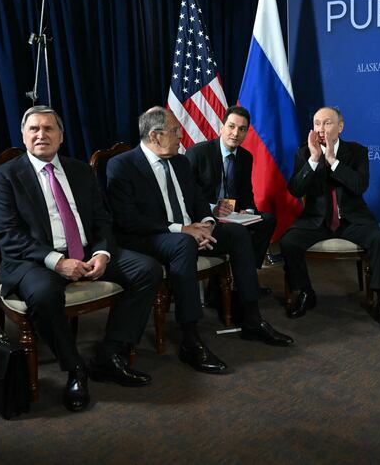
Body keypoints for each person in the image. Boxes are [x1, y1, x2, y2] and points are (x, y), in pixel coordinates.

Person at [0, 106, 162, 413]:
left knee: (147, 270)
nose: (41, 134)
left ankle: (110, 353)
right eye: (34, 129)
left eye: (49, 129)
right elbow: (8, 235)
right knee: (43, 294)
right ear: (23, 136)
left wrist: (102, 253)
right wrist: (56, 260)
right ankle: (75, 368)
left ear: (61, 136)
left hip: (86, 251)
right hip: (34, 260)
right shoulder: (4, 176)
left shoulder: (80, 170)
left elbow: (102, 219)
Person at [106, 107, 293, 375]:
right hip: (149, 237)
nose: (182, 135)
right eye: (175, 131)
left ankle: (252, 318)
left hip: (190, 229)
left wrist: (206, 225)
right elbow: (128, 219)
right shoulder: (122, 165)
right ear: (155, 136)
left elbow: (196, 201)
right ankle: (190, 338)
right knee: (184, 245)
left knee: (238, 235)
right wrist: (183, 230)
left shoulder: (180, 162)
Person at [279, 106, 380, 333]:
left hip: (351, 221)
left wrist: (333, 161)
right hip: (317, 221)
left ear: (340, 127)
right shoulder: (304, 153)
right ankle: (306, 292)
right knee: (288, 243)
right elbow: (295, 190)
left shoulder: (357, 152)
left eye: (327, 123)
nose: (321, 129)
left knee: (379, 239)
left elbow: (359, 185)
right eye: (317, 123)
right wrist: (315, 158)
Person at [186, 105, 276, 276]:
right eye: (232, 126)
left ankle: (249, 274)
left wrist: (248, 211)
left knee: (268, 220)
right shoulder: (198, 153)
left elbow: (246, 192)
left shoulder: (245, 157)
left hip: (233, 215)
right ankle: (237, 280)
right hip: (205, 215)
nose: (236, 133)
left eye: (242, 129)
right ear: (222, 127)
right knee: (239, 233)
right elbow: (186, 196)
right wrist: (213, 208)